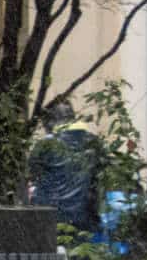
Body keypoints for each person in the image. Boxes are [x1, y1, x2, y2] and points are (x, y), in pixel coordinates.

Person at [30, 100, 105, 238]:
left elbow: (32, 175)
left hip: (50, 219)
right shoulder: (93, 142)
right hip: (84, 218)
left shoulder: (45, 144)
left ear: (50, 122)